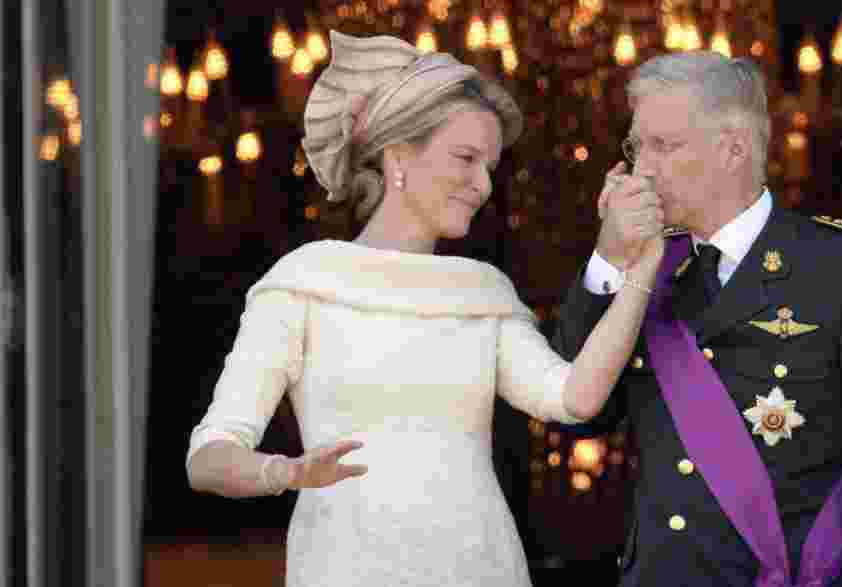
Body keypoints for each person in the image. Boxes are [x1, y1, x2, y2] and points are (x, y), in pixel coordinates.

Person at [185, 32, 664, 587]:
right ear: (397, 157)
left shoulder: (482, 292)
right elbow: (208, 458)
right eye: (465, 158)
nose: (483, 184)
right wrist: (286, 472)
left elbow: (575, 398)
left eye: (490, 165)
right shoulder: (303, 284)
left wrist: (642, 271)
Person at [552, 51, 842, 586]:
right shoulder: (643, 265)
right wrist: (607, 259)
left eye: (665, 145)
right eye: (637, 146)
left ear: (733, 149)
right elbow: (576, 414)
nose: (643, 168)